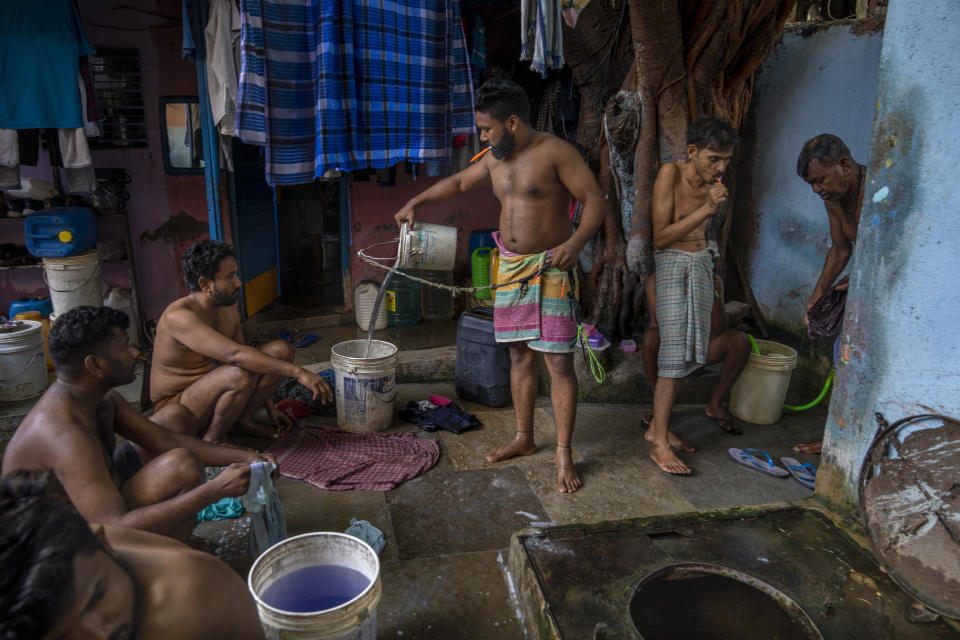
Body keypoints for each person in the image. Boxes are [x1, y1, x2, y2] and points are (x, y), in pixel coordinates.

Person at [394, 78, 608, 493]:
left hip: (551, 267)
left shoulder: (555, 152)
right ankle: (524, 437)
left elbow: (595, 199)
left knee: (559, 362)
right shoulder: (494, 157)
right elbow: (457, 184)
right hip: (509, 268)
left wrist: (576, 243)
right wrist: (415, 203)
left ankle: (564, 450)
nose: (482, 135)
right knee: (518, 356)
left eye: (488, 128)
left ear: (512, 122)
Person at [1, 305, 273, 541]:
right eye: (123, 347)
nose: (134, 353)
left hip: (100, 496)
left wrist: (247, 456)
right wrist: (214, 490)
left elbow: (166, 441)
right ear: (94, 365)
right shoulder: (65, 434)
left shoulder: (101, 397)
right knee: (182, 466)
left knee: (175, 419)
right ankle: (169, 559)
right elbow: (113, 527)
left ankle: (169, 542)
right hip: (55, 540)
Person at [0, 469, 265, 640]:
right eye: (64, 637)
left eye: (97, 597)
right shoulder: (76, 552)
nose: (102, 632)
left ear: (104, 544)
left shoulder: (183, 604)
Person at [647, 116, 751, 475]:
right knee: (673, 356)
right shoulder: (669, 175)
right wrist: (707, 208)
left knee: (696, 350)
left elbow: (703, 237)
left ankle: (656, 429)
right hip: (673, 265)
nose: (720, 167)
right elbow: (660, 238)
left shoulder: (715, 183)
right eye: (714, 159)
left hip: (701, 264)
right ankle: (659, 442)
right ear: (692, 151)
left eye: (725, 160)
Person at [150, 239, 332, 443]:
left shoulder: (227, 307)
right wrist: (300, 372)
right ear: (205, 284)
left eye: (235, 274)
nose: (238, 282)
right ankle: (214, 440)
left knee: (281, 349)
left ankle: (242, 420)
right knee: (239, 373)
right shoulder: (180, 316)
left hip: (220, 394)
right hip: (178, 408)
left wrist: (270, 406)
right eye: (230, 276)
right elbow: (236, 356)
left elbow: (248, 356)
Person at [793, 134, 865, 455]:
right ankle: (837, 438)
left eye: (820, 180)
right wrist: (817, 295)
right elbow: (840, 248)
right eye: (811, 183)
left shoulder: (879, 188)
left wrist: (865, 276)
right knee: (842, 356)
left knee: (852, 361)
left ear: (845, 166)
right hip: (863, 295)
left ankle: (844, 442)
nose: (816, 189)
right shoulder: (833, 200)